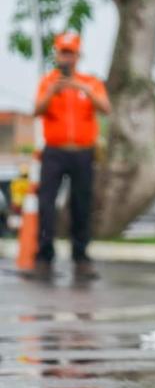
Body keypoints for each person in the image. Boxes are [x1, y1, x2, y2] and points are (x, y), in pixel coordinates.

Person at [29, 32, 109, 281]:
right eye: (63, 52)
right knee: (46, 203)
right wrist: (53, 91)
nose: (67, 57)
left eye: (71, 52)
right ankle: (44, 257)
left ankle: (81, 257)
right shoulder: (48, 82)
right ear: (57, 54)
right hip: (54, 152)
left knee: (81, 205)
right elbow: (37, 110)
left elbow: (105, 108)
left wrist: (81, 87)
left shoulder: (90, 82)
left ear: (77, 55)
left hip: (82, 153)